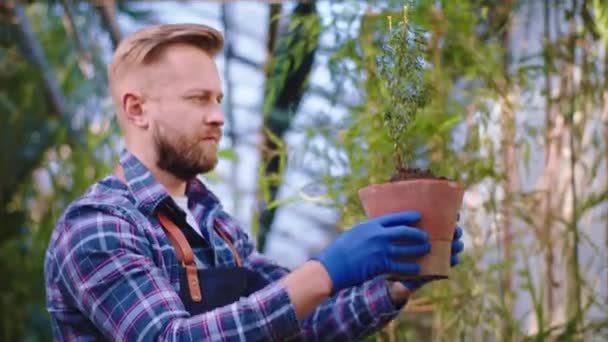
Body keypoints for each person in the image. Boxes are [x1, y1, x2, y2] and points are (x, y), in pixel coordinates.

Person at [44, 23, 465, 341]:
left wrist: (391, 287)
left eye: (219, 99)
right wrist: (324, 272)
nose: (218, 116)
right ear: (136, 110)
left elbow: (298, 324)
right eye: (198, 99)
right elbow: (169, 337)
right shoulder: (98, 227)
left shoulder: (215, 223)